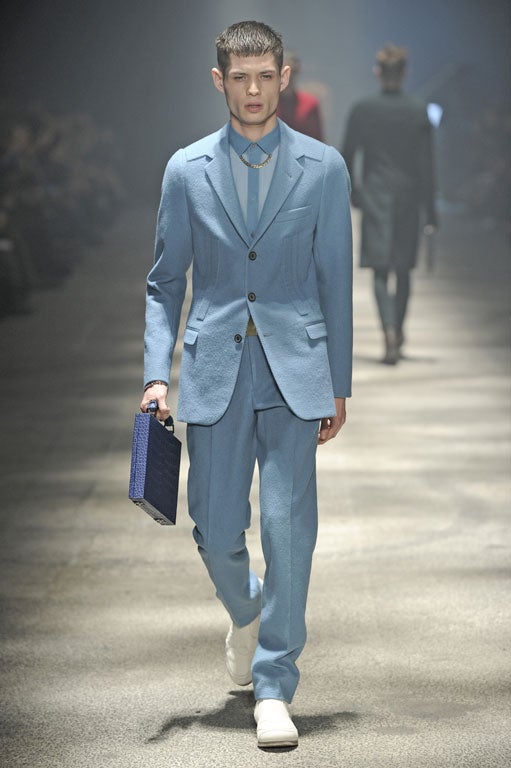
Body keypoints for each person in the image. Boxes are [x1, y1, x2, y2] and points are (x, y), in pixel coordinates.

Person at [140, 20, 352, 749]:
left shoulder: (323, 168)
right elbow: (165, 283)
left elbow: (334, 279)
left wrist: (339, 382)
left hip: (296, 369)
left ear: (283, 76)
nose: (254, 90)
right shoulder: (185, 169)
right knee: (214, 523)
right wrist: (156, 374)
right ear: (219, 80)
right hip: (214, 369)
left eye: (266, 76)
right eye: (241, 77)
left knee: (290, 532)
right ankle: (248, 608)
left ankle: (273, 685)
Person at [342, 44, 437, 364]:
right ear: (405, 73)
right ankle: (398, 328)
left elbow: (347, 153)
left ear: (377, 72)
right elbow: (427, 164)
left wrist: (354, 192)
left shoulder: (363, 109)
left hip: (376, 195)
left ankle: (389, 332)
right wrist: (431, 209)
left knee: (380, 269)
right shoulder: (418, 110)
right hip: (409, 197)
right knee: (404, 268)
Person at [277, 50, 324, 140]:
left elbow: (317, 140)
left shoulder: (310, 104)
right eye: (283, 72)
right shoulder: (266, 104)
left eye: (292, 72)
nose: (288, 77)